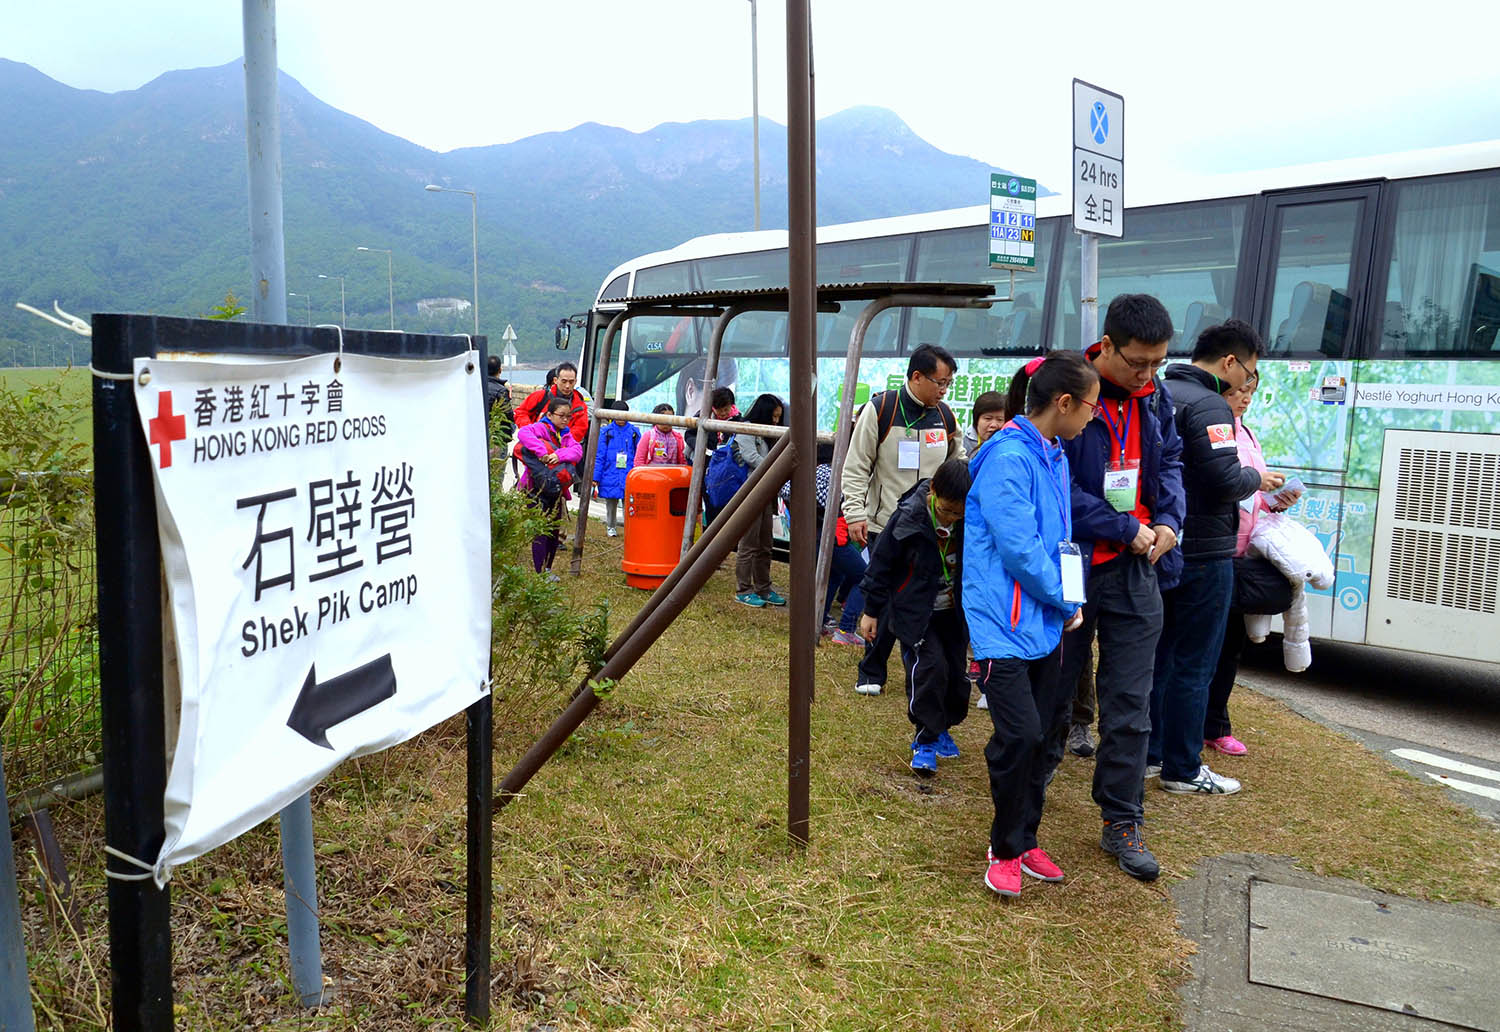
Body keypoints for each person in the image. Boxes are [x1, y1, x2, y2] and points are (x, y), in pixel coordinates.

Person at [1046, 293, 1185, 884]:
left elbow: (1172, 463)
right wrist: (1123, 526)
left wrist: (1169, 521)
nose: (1147, 374)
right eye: (1137, 362)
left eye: (1157, 362)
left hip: (1136, 568)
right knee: (1053, 689)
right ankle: (1028, 792)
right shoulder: (1064, 389)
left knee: (1131, 702)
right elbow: (1053, 486)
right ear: (1105, 346)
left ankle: (1122, 819)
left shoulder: (1157, 398)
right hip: (1072, 565)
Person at [965, 352, 1097, 897]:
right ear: (1063, 403)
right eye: (1090, 406)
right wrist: (1066, 601)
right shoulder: (1008, 457)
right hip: (1002, 622)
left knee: (1044, 735)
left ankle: (1025, 838)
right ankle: (1004, 846)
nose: (1093, 416)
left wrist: (1071, 598)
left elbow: (1060, 538)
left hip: (1046, 619)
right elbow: (1019, 549)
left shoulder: (1054, 454)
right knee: (1018, 736)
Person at [1150, 319, 1281, 796]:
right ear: (1229, 362)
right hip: (1205, 551)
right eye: (1248, 372)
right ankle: (1184, 767)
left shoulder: (1160, 393)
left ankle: (1151, 754)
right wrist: (1255, 479)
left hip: (1164, 545)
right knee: (1194, 662)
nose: (1246, 382)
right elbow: (1226, 481)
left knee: (1160, 657)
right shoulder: (1209, 405)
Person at [841, 343, 966, 696]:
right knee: (883, 596)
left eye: (948, 384)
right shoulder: (881, 409)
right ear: (917, 377)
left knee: (922, 597)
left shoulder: (945, 417)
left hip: (932, 526)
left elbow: (957, 465)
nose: (944, 390)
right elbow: (857, 465)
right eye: (940, 382)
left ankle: (923, 668)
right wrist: (855, 513)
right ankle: (871, 670)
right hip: (887, 524)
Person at [859, 458, 973, 774]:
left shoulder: (970, 521)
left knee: (955, 674)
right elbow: (881, 564)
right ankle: (925, 740)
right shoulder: (908, 518)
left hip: (953, 613)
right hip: (915, 613)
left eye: (959, 513)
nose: (951, 518)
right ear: (933, 490)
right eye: (947, 510)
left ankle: (942, 726)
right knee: (929, 670)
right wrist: (871, 611)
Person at [781, 442, 867, 645]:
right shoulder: (834, 475)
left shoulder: (805, 473)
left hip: (812, 535)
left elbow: (785, 492)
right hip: (835, 538)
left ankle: (817, 620)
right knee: (865, 578)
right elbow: (838, 502)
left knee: (834, 575)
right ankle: (847, 629)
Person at [515, 395, 584, 575]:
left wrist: (559, 455)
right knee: (540, 530)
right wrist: (542, 452)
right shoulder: (541, 428)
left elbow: (577, 451)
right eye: (561, 415)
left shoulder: (566, 434)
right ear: (550, 415)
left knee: (553, 530)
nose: (565, 420)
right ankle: (539, 572)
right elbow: (523, 433)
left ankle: (547, 569)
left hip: (555, 489)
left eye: (568, 416)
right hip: (535, 488)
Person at [732, 394, 786, 608]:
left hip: (766, 492)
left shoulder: (770, 433)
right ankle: (743, 589)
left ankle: (763, 587)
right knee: (748, 543)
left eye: (778, 417)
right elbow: (751, 457)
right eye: (773, 416)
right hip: (750, 491)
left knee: (765, 543)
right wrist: (777, 468)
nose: (776, 421)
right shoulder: (747, 429)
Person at [592, 400, 639, 537]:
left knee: (629, 503)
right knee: (611, 503)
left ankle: (629, 529)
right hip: (609, 473)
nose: (620, 419)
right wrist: (596, 477)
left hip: (628, 472)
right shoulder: (606, 432)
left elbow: (639, 454)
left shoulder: (634, 432)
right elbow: (600, 456)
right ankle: (611, 527)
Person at [515, 361, 589, 444]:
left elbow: (580, 429)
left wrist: (562, 443)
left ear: (575, 382)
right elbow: (520, 413)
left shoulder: (580, 406)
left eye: (571, 382)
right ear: (555, 380)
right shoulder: (540, 396)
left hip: (563, 448)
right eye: (564, 381)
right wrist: (531, 431)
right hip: (535, 443)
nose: (567, 386)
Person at [962, 390, 1008, 457]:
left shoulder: (1010, 444)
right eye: (988, 418)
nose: (993, 425)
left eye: (999, 419)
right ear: (976, 420)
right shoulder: (963, 445)